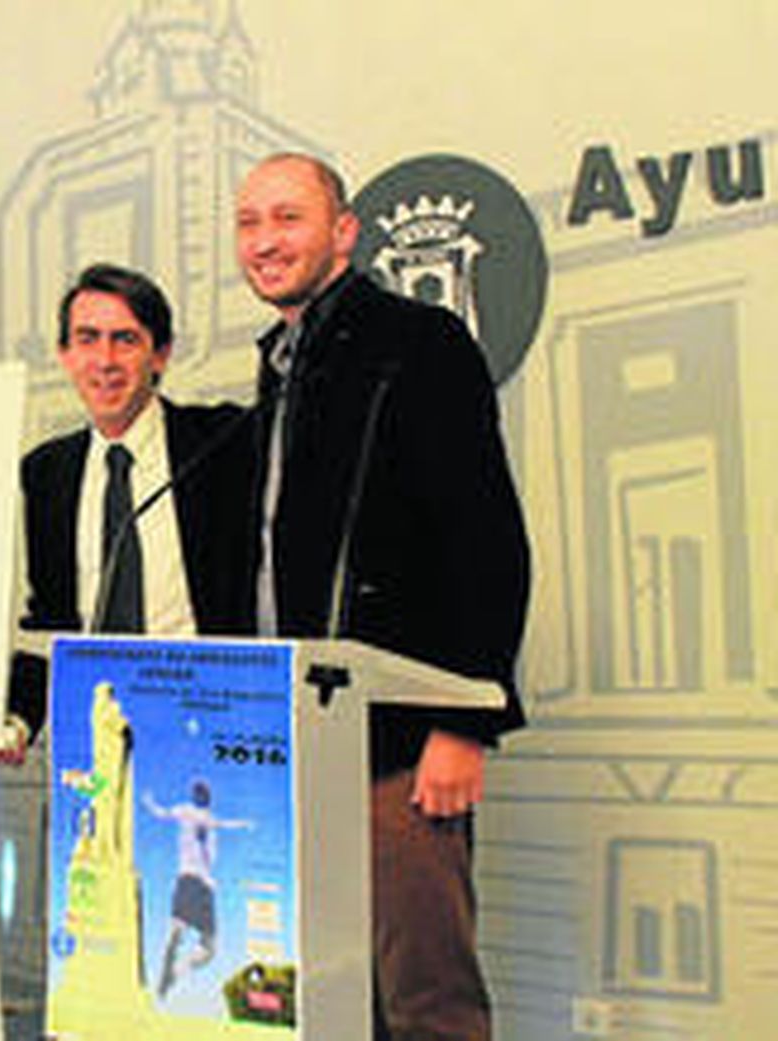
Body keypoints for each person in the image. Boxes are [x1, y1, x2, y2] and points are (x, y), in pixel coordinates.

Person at [234, 153, 530, 1040]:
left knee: (426, 1004)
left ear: (345, 232)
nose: (264, 240)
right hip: (298, 748)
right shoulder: (282, 362)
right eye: (248, 223)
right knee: (327, 1000)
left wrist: (464, 720)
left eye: (288, 218)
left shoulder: (420, 343)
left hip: (401, 747)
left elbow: (486, 539)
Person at [0, 262, 255, 757]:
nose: (105, 360)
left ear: (160, 355)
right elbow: (50, 621)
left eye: (126, 340)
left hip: (214, 727)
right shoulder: (47, 472)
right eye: (88, 339)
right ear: (65, 355)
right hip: (98, 734)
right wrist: (19, 719)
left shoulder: (225, 443)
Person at [142, 780, 253, 998]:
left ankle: (171, 972)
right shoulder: (195, 814)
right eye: (200, 794)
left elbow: (163, 814)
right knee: (203, 944)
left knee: (191, 938)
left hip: (193, 881)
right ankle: (172, 971)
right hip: (197, 883)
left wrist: (149, 803)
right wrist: (150, 804)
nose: (203, 798)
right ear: (198, 796)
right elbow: (164, 814)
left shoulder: (200, 815)